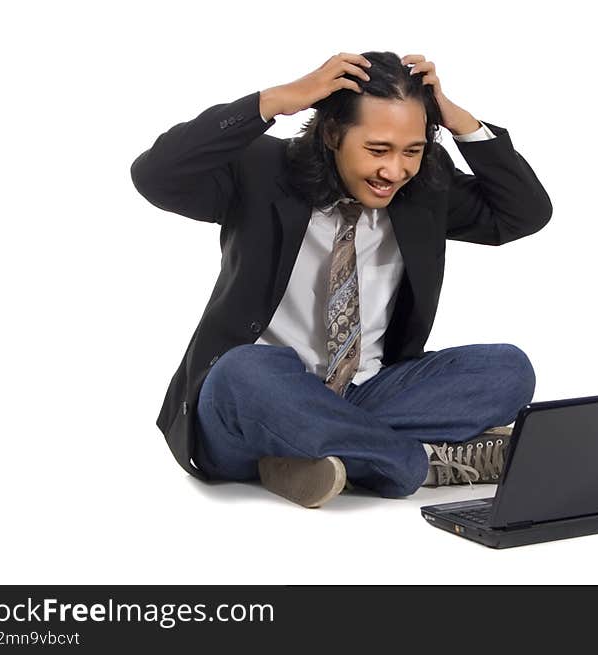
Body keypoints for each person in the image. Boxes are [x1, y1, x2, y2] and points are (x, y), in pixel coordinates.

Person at [130, 51, 553, 508]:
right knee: (241, 372)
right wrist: (275, 100)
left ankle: (315, 453)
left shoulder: (422, 192)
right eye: (377, 150)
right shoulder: (260, 170)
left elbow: (524, 213)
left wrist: (458, 119)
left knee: (507, 370)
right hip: (256, 396)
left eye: (411, 151)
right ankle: (414, 463)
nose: (394, 171)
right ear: (332, 133)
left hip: (366, 387)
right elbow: (155, 175)